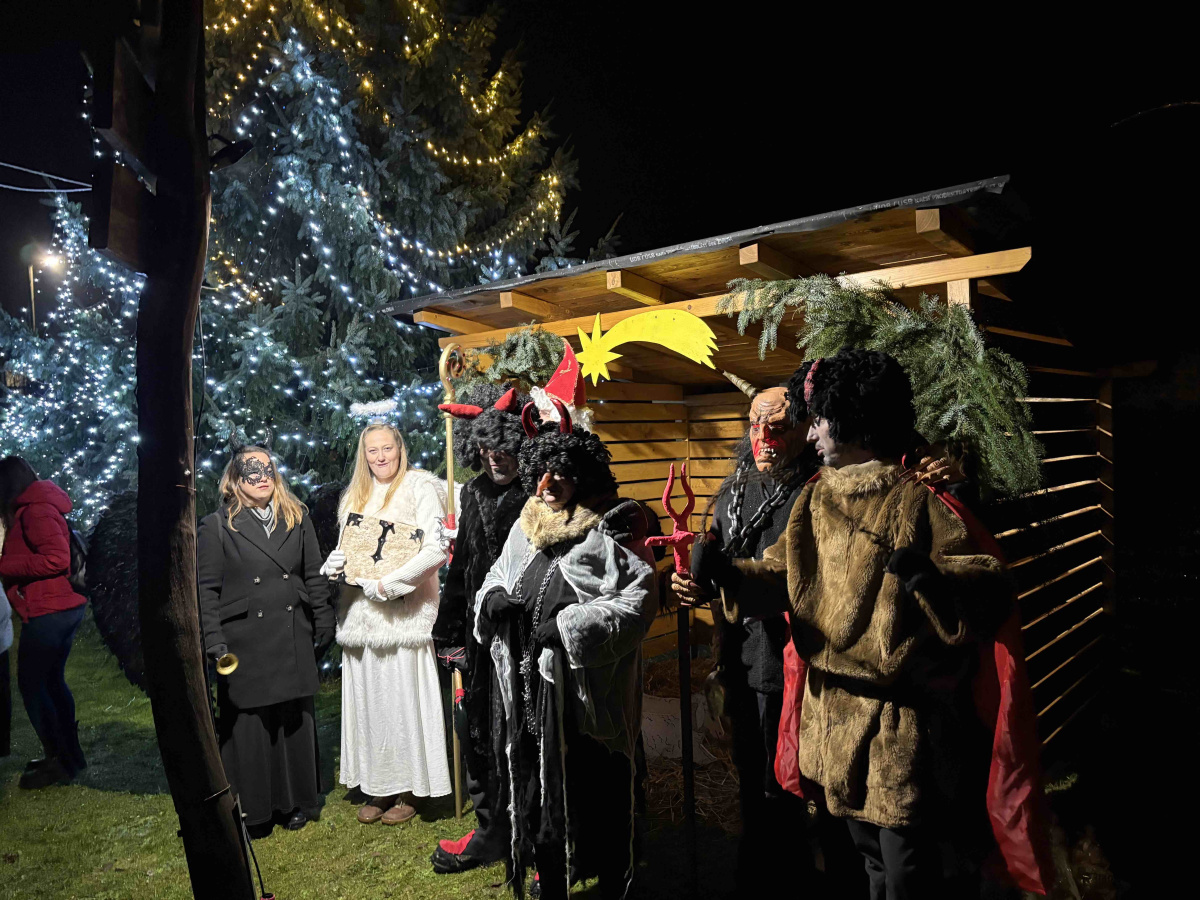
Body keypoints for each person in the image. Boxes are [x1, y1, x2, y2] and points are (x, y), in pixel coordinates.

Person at [694, 349, 1029, 899]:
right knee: (862, 859)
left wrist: (938, 584)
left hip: (897, 728)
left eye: (819, 419)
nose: (811, 432)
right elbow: (782, 573)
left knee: (905, 873)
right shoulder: (816, 496)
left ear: (850, 420)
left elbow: (988, 589)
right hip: (830, 721)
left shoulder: (916, 499)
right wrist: (728, 575)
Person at [475, 401, 656, 900]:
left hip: (583, 703)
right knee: (537, 792)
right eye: (541, 473)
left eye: (560, 473)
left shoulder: (605, 533)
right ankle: (550, 877)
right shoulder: (527, 527)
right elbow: (497, 574)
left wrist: (571, 626)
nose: (548, 484)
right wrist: (492, 599)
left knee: (594, 790)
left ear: (582, 474)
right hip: (530, 699)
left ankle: (609, 879)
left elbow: (638, 599)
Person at [198, 445, 335, 834]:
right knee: (250, 727)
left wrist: (323, 619)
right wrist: (214, 642)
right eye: (251, 472)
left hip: (292, 632)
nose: (261, 478)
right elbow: (206, 590)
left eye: (267, 470)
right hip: (244, 640)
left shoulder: (297, 517)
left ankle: (294, 802)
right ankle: (254, 808)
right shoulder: (217, 525)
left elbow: (313, 573)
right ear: (235, 479)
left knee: (292, 719)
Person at [323, 422, 451, 825]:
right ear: (364, 456)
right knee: (372, 706)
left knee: (403, 704)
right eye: (372, 450)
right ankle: (379, 784)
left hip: (404, 616)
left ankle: (411, 787)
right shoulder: (354, 495)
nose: (380, 457)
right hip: (360, 617)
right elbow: (350, 548)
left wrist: (389, 585)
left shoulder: (420, 487)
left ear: (400, 449)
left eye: (387, 449)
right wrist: (335, 564)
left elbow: (437, 548)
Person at [430, 384, 531, 874]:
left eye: (504, 448)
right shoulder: (471, 492)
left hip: (528, 632)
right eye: (487, 449)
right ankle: (492, 831)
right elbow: (462, 565)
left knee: (528, 732)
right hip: (479, 633)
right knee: (477, 731)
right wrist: (448, 632)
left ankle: (537, 839)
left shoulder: (538, 490)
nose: (495, 458)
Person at [0, 456, 88, 789]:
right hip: (60, 607)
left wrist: (5, 566)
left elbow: (56, 559)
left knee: (33, 687)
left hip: (50, 610)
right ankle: (68, 756)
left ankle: (59, 761)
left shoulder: (35, 511)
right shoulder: (38, 506)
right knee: (52, 683)